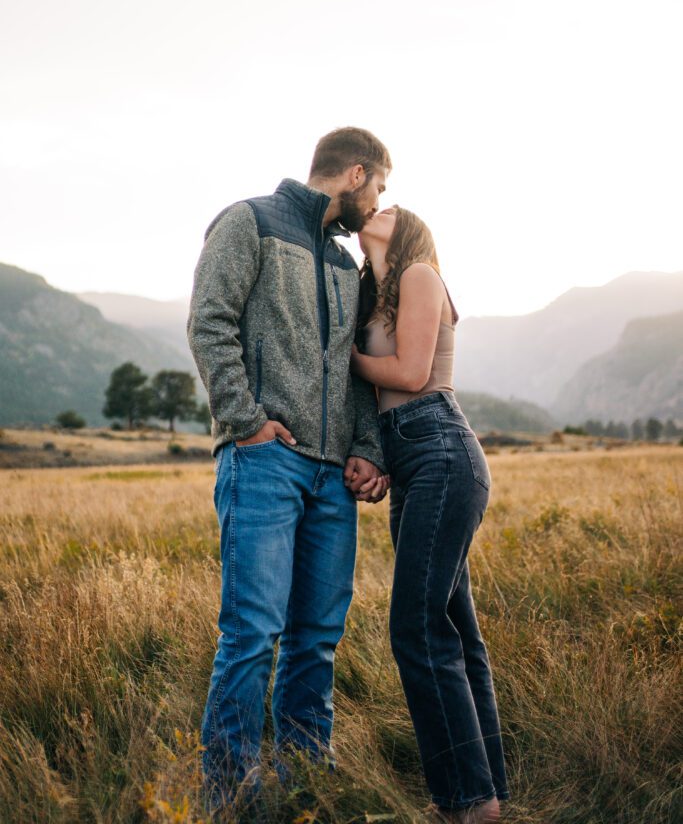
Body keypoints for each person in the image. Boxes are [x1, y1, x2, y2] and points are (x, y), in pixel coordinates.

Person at [186, 127, 392, 814]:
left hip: (331, 478)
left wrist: (366, 448)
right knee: (252, 635)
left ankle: (306, 784)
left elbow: (357, 374)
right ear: (355, 173)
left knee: (317, 640)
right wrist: (245, 422)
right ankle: (231, 794)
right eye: (382, 186)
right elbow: (209, 321)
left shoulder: (343, 264)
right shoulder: (249, 221)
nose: (381, 201)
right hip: (266, 464)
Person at [349, 205, 509, 824]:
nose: (377, 208)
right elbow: (385, 396)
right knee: (454, 633)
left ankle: (465, 800)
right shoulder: (377, 291)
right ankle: (484, 793)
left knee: (416, 629)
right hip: (414, 456)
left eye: (390, 202)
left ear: (410, 227)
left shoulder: (419, 272)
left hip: (441, 448)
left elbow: (412, 375)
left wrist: (342, 355)